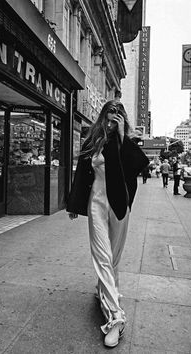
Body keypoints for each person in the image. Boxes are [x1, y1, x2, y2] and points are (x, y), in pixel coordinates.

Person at [66, 100, 149, 348]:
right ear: (103, 115)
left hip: (120, 204)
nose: (114, 116)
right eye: (110, 112)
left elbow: (138, 166)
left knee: (112, 258)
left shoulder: (127, 141)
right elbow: (81, 174)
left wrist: (123, 136)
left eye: (119, 113)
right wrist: (74, 204)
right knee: (101, 256)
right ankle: (116, 317)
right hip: (96, 203)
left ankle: (105, 290)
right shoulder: (92, 141)